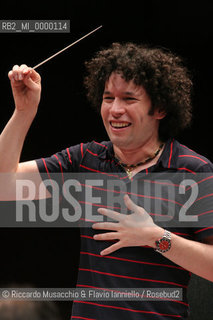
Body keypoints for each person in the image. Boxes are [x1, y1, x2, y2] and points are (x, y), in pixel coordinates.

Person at [1, 42, 213, 319]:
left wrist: (155, 237)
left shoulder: (192, 170)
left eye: (128, 99)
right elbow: (5, 186)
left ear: (159, 108)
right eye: (108, 97)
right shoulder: (84, 160)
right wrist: (24, 112)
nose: (114, 110)